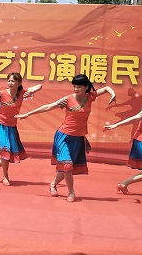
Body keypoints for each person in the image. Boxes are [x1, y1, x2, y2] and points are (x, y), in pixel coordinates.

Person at [16, 74, 115, 202]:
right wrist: (27, 114)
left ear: (86, 87)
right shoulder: (67, 99)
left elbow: (107, 88)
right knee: (67, 165)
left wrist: (113, 94)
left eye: (79, 86)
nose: (76, 89)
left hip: (78, 138)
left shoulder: (90, 97)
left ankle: (53, 184)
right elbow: (48, 106)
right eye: (74, 86)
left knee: (67, 167)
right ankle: (71, 192)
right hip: (63, 136)